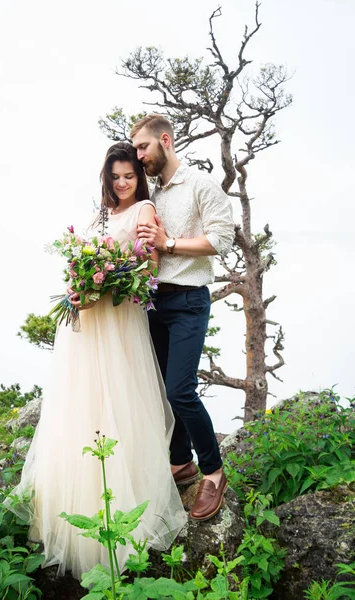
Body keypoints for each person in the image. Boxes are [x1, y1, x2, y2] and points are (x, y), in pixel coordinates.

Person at [6, 142, 187, 580]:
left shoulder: (144, 210)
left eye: (128, 175)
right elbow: (82, 260)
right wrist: (79, 285)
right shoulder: (98, 215)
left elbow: (149, 267)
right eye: (115, 177)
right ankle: (75, 508)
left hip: (119, 322)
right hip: (87, 324)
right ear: (105, 178)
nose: (122, 183)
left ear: (138, 178)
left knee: (119, 401)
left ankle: (126, 515)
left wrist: (109, 282)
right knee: (80, 406)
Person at [131, 114, 235, 521]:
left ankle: (213, 470)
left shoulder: (200, 185)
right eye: (136, 149)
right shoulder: (149, 192)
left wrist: (168, 242)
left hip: (190, 300)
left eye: (143, 147)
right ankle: (180, 463)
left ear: (165, 141)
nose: (139, 156)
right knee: (159, 389)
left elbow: (221, 239)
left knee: (180, 391)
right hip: (153, 302)